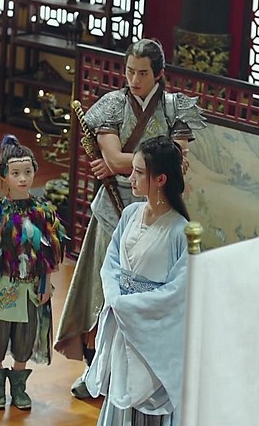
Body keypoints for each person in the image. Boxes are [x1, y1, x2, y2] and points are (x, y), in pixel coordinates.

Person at [54, 38, 206, 398]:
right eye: (129, 71)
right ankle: (95, 370)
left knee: (153, 293)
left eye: (142, 73)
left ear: (159, 74)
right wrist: (140, 162)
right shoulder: (113, 104)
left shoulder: (175, 108)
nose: (134, 80)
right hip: (113, 211)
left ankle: (147, 373)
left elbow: (163, 162)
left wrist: (125, 164)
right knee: (102, 292)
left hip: (160, 211)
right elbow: (113, 157)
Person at [85, 136, 191, 425]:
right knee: (121, 392)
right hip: (124, 320)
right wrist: (116, 299)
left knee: (146, 396)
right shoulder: (130, 213)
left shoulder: (180, 231)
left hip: (152, 329)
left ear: (161, 179)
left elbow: (178, 291)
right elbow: (111, 264)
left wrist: (132, 307)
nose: (130, 177)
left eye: (139, 172)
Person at [0, 135, 67, 410]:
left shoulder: (43, 212)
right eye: (15, 173)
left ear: (35, 172)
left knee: (25, 336)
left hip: (31, 288)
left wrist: (46, 283)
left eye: (27, 172)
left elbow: (51, 254)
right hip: (1, 286)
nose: (22, 178)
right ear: (4, 176)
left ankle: (19, 386)